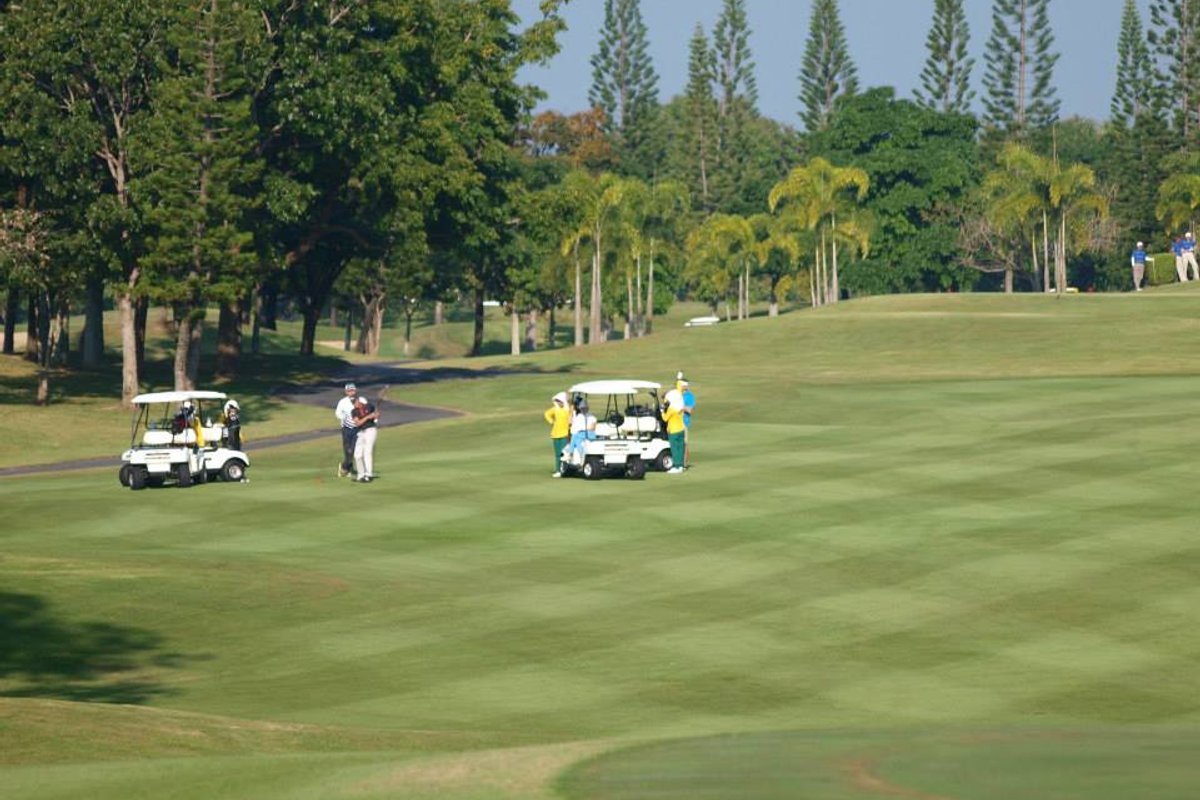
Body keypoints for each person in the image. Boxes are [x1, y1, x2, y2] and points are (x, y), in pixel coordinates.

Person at [352, 394, 380, 482]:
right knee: (357, 454)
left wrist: (375, 415)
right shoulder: (354, 411)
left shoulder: (369, 406)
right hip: (361, 432)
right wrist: (368, 417)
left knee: (367, 452)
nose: (353, 403)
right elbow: (358, 423)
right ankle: (361, 475)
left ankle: (369, 474)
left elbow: (377, 414)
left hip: (371, 431)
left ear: (360, 402)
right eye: (352, 402)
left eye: (355, 401)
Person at [562, 396, 596, 467]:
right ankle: (576, 454)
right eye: (582, 408)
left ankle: (572, 454)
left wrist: (583, 429)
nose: (583, 410)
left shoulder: (591, 416)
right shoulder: (579, 416)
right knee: (576, 438)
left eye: (584, 408)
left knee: (575, 437)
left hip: (589, 434)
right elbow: (572, 424)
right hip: (580, 434)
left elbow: (592, 427)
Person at [335, 383, 359, 478]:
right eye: (349, 391)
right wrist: (344, 418)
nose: (351, 392)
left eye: (353, 390)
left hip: (358, 428)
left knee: (354, 450)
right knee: (348, 450)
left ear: (355, 391)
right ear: (346, 392)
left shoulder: (360, 400)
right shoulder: (342, 402)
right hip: (346, 429)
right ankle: (347, 468)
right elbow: (338, 413)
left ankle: (345, 467)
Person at [544, 392, 571, 478]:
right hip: (555, 434)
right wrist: (552, 422)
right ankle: (558, 470)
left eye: (560, 401)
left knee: (563, 453)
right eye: (557, 401)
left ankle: (564, 470)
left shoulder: (567, 410)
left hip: (564, 434)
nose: (559, 403)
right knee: (557, 454)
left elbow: (571, 418)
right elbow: (546, 414)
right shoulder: (555, 409)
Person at [662, 388, 686, 474]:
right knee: (680, 448)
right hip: (681, 429)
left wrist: (662, 410)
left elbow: (665, 419)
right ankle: (681, 466)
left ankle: (676, 466)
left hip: (673, 431)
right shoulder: (680, 407)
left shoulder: (671, 409)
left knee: (675, 449)